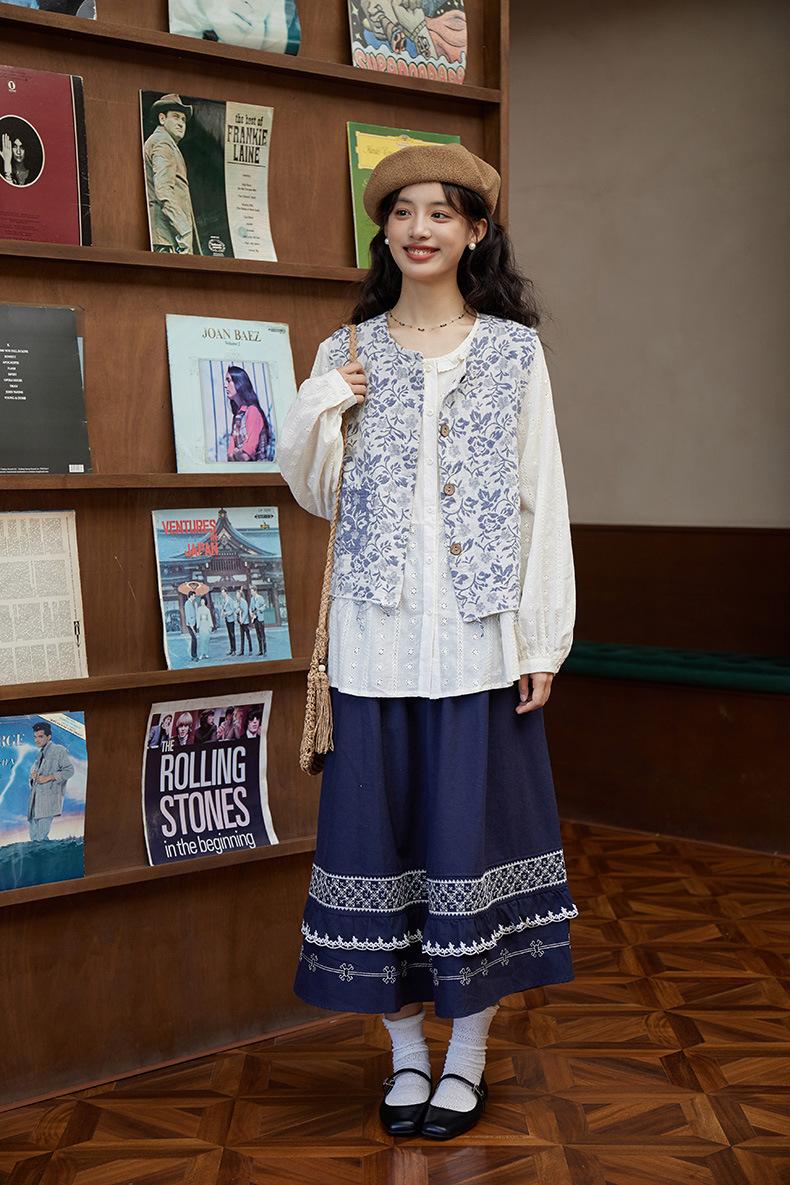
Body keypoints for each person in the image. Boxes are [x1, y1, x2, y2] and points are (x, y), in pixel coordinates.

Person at [279, 143, 579, 1141]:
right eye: (402, 211)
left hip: (481, 649)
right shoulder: (344, 351)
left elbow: (542, 500)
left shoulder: (515, 353)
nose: (419, 228)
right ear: (383, 231)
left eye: (441, 212)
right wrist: (327, 400)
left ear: (475, 231)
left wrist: (543, 641)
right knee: (382, 852)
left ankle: (469, 1059)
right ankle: (407, 1056)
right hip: (372, 648)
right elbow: (312, 490)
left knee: (469, 857)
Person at [142, 94, 200, 254]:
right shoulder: (163, 143)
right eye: (175, 117)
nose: (181, 123)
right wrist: (184, 230)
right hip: (166, 240)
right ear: (162, 119)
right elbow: (164, 190)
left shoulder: (164, 142)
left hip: (167, 238)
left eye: (183, 119)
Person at [27, 721, 74, 842]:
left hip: (48, 801)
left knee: (40, 838)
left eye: (40, 736)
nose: (37, 740)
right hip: (35, 802)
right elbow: (35, 778)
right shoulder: (40, 754)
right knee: (34, 838)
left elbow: (69, 771)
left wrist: (48, 777)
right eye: (35, 737)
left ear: (49, 737)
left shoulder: (58, 750)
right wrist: (33, 777)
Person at [225, 367, 272, 462]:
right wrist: (236, 454)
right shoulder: (237, 416)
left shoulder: (253, 411)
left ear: (239, 383)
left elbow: (246, 456)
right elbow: (230, 455)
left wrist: (237, 454)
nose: (225, 386)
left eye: (229, 381)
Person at [249, 582, 268, 655]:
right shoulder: (252, 599)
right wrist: (251, 613)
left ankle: (264, 650)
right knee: (258, 635)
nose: (251, 593)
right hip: (255, 618)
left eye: (252, 591)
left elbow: (264, 606)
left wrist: (260, 609)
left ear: (255, 591)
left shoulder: (260, 598)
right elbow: (250, 607)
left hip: (260, 618)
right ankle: (260, 650)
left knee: (262, 635)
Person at [220, 588, 237, 655]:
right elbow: (223, 608)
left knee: (232, 635)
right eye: (221, 593)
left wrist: (226, 613)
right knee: (229, 635)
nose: (222, 594)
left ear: (226, 592)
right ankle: (231, 649)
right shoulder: (223, 600)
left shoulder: (230, 600)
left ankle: (234, 650)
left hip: (231, 619)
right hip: (227, 619)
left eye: (223, 592)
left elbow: (233, 610)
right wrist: (222, 613)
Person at [236, 588, 252, 655]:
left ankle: (250, 650)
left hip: (245, 622)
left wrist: (242, 620)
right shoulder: (238, 602)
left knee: (248, 637)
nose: (236, 596)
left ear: (240, 595)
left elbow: (245, 612)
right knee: (242, 637)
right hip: (240, 622)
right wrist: (237, 611)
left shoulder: (244, 602)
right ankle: (241, 651)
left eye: (237, 594)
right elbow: (237, 610)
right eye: (236, 595)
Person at [183, 590, 198, 662]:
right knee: (194, 639)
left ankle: (194, 655)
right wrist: (192, 628)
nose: (195, 597)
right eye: (194, 596)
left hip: (194, 623)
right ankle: (194, 656)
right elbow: (188, 616)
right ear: (191, 596)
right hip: (190, 624)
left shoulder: (193, 603)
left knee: (194, 640)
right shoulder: (187, 603)